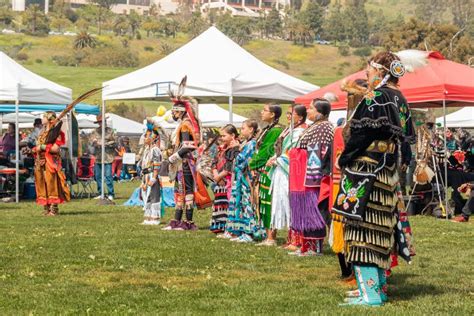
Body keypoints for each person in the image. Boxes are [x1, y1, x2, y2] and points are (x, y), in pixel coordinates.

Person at [333, 52, 414, 306]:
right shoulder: (398, 97)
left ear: (380, 71)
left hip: (366, 171)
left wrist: (345, 157)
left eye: (369, 69)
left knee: (362, 229)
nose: (366, 73)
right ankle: (372, 287)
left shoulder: (377, 97)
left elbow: (361, 135)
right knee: (379, 229)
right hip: (385, 172)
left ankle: (371, 294)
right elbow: (404, 143)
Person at [288, 99, 334, 256]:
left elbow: (319, 153)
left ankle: (315, 248)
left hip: (313, 178)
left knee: (314, 211)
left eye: (311, 108)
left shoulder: (324, 127)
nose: (308, 111)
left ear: (320, 112)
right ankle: (306, 246)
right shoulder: (317, 126)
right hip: (304, 176)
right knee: (308, 212)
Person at [267, 105, 307, 245]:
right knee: (284, 201)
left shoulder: (300, 132)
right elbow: (282, 149)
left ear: (300, 117)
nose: (288, 116)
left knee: (290, 202)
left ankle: (296, 240)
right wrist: (274, 157)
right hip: (282, 169)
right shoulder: (290, 130)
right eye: (288, 113)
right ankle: (291, 239)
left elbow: (294, 152)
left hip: (290, 172)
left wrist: (277, 160)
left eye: (291, 114)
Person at [162, 96, 201, 231]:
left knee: (185, 191)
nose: (173, 114)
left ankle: (187, 222)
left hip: (185, 163)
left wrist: (174, 157)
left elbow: (188, 146)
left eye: (174, 111)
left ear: (180, 111)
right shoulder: (187, 123)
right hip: (184, 163)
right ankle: (177, 221)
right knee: (181, 191)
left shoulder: (185, 125)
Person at [225, 119, 264, 243]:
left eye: (243, 128)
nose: (241, 131)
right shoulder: (246, 143)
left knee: (247, 205)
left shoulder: (252, 144)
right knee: (241, 205)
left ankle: (250, 232)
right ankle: (242, 231)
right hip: (240, 178)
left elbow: (242, 161)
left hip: (246, 179)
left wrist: (236, 149)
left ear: (251, 129)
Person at [249, 104, 283, 246]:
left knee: (268, 202)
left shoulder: (275, 130)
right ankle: (268, 236)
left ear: (273, 114)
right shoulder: (268, 129)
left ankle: (271, 237)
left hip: (269, 170)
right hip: (263, 169)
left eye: (265, 111)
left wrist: (252, 164)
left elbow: (267, 150)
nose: (262, 113)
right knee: (263, 201)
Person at [32, 112, 70, 215]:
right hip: (40, 161)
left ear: (49, 119)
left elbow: (55, 149)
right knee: (41, 184)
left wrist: (42, 147)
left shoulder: (57, 133)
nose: (42, 118)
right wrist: (34, 149)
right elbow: (38, 145)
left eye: (44, 117)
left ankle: (54, 209)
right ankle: (46, 208)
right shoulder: (42, 132)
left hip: (50, 161)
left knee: (51, 184)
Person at [210, 124, 240, 235]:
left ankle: (229, 228)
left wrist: (219, 176)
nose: (222, 138)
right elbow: (214, 161)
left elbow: (230, 166)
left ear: (232, 135)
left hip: (228, 180)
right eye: (221, 136)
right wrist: (215, 174)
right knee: (220, 204)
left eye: (224, 135)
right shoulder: (221, 148)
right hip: (219, 180)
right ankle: (220, 227)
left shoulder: (234, 148)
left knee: (228, 204)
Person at [90, 114, 117, 200]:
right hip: (98, 157)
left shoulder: (111, 131)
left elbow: (115, 142)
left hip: (108, 156)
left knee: (108, 176)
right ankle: (101, 193)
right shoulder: (95, 131)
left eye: (103, 122)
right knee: (98, 176)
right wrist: (94, 143)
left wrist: (104, 144)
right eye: (100, 122)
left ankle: (111, 193)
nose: (102, 123)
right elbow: (91, 142)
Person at [139, 135, 163, 225]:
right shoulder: (146, 149)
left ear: (152, 139)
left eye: (146, 137)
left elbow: (157, 164)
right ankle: (149, 217)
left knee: (154, 196)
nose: (144, 139)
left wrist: (154, 177)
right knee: (147, 196)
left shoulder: (155, 149)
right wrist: (143, 181)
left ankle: (155, 218)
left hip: (153, 174)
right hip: (146, 175)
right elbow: (144, 165)